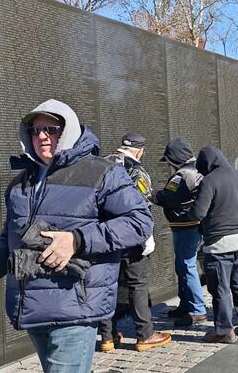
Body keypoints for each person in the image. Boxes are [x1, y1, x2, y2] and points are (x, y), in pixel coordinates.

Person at [0, 99, 153, 373]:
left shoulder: (103, 173)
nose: (42, 136)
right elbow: (9, 238)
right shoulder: (20, 183)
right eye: (35, 129)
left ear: (67, 131)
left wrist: (77, 239)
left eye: (51, 129)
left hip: (75, 309)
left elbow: (139, 222)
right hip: (31, 309)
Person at [98, 133, 171, 352]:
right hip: (130, 237)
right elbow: (143, 206)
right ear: (139, 150)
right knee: (137, 285)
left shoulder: (103, 164)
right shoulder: (137, 171)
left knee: (106, 285)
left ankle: (107, 337)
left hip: (104, 236)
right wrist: (147, 236)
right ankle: (145, 334)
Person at [186, 147, 238, 343]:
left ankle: (225, 330)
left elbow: (198, 213)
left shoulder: (210, 181)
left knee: (220, 289)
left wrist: (188, 211)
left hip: (218, 244)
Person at [151, 137, 208, 326]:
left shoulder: (182, 175)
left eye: (168, 160)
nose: (167, 164)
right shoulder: (195, 172)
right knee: (183, 267)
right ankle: (186, 304)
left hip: (185, 227)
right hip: (191, 226)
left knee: (187, 267)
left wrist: (147, 192)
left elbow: (168, 198)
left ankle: (197, 309)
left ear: (174, 158)